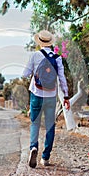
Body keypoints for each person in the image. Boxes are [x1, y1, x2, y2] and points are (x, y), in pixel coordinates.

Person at [22, 30, 70, 168]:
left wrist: (32, 73)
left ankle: (33, 147)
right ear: (51, 43)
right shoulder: (57, 58)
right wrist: (65, 96)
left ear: (39, 42)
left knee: (35, 123)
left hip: (37, 94)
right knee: (50, 126)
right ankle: (45, 157)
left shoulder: (35, 56)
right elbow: (62, 79)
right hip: (51, 96)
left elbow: (25, 74)